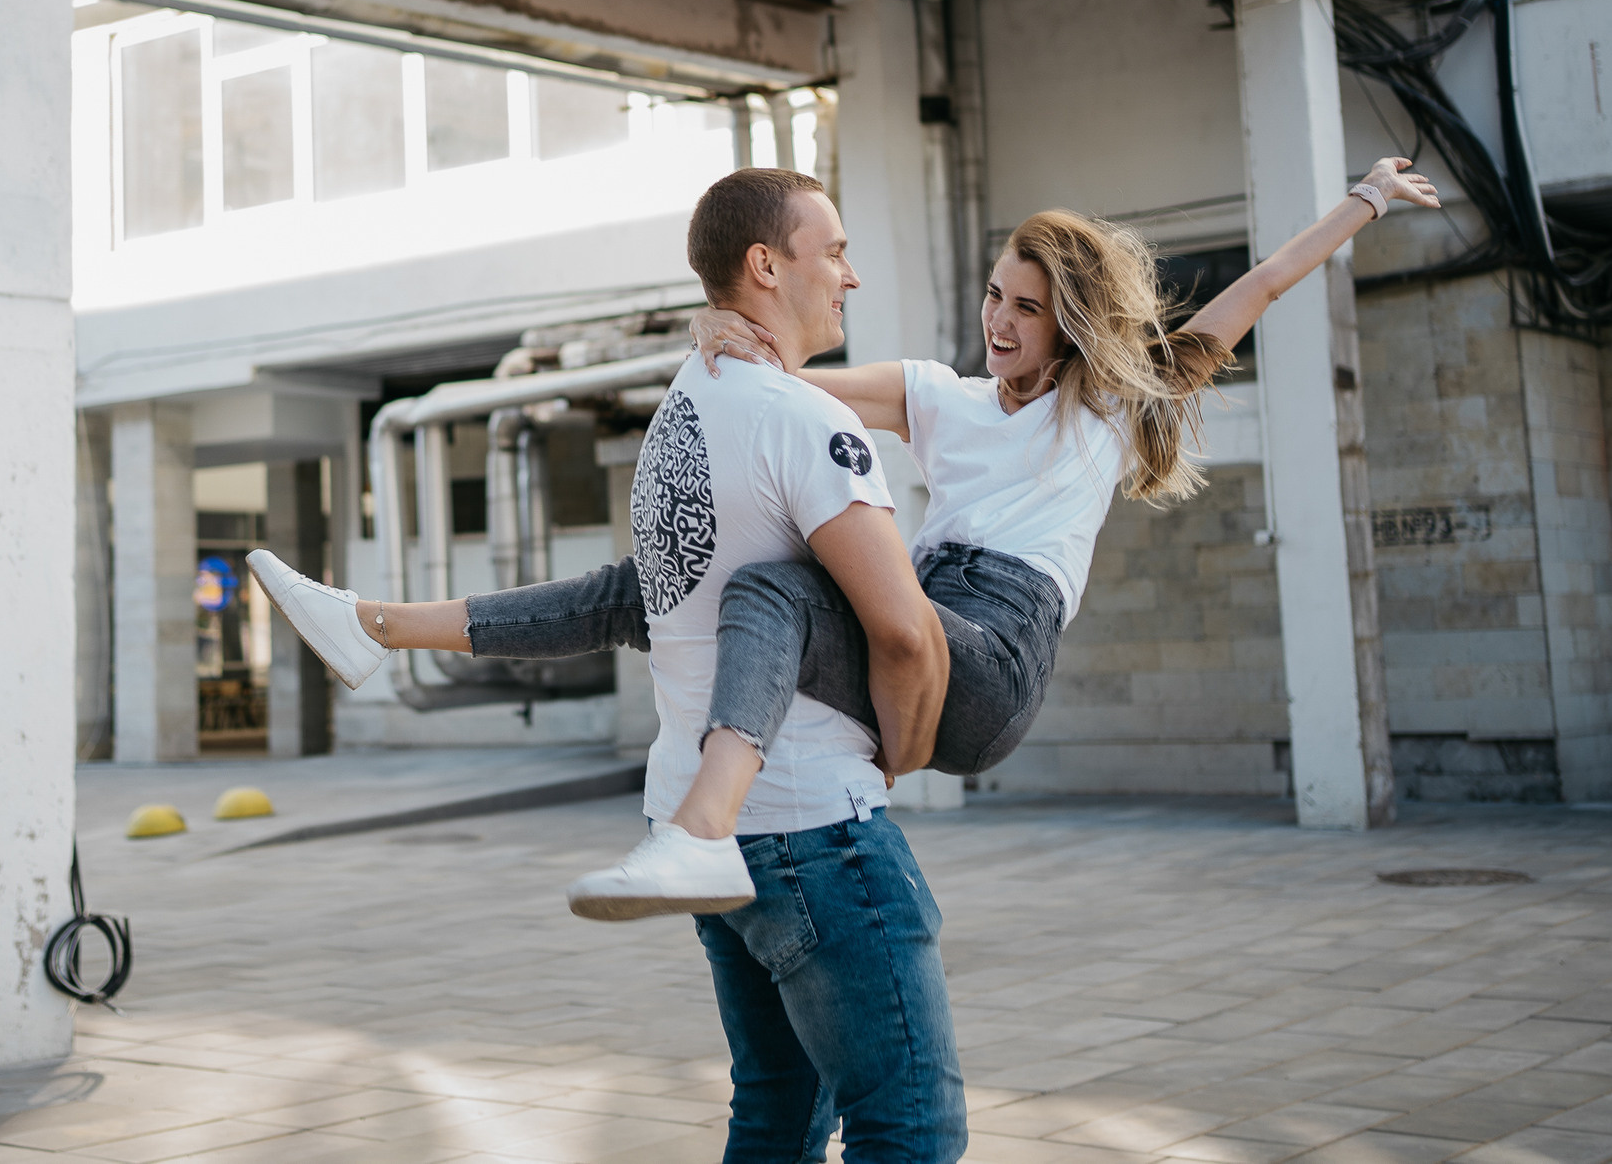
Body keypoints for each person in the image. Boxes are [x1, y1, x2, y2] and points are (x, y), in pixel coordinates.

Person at [257, 156, 1440, 918]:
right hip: (924, 601)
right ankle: (377, 626)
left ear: (1069, 321)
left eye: (1026, 306)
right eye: (993, 295)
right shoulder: (940, 393)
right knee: (664, 584)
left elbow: (1261, 288)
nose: (1000, 320)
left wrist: (1367, 200)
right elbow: (793, 370)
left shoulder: (1108, 407)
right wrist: (717, 317)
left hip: (993, 651)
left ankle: (701, 829)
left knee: (768, 592)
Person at [268, 167, 964, 1163]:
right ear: (766, 265)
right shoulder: (806, 421)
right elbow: (901, 632)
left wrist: (393, 624)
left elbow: (625, 602)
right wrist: (907, 748)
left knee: (774, 1114)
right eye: (836, 252)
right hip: (818, 832)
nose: (849, 276)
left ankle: (371, 624)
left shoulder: (686, 407)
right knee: (911, 1130)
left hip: (715, 837)